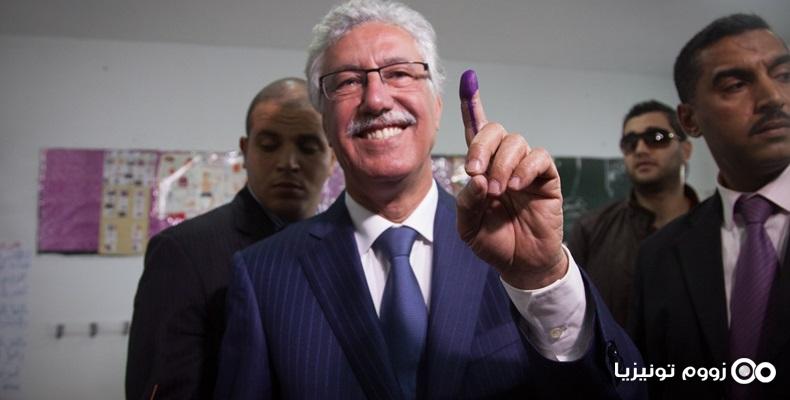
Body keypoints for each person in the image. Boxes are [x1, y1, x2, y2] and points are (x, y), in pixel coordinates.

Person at [215, 1, 645, 399]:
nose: (376, 99)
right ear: (325, 122)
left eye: (400, 73)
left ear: (437, 107)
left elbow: (627, 391)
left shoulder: (512, 244)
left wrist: (541, 275)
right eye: (347, 81)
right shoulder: (263, 274)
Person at [125, 78, 335, 400]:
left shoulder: (343, 248)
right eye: (269, 145)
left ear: (332, 158)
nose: (288, 163)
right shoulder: (184, 251)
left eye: (308, 147)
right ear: (245, 151)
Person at [629, 14, 789, 400]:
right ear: (690, 120)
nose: (773, 97)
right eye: (736, 85)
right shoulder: (658, 257)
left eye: (784, 75)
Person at [567, 100, 698, 327]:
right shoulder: (591, 230)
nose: (640, 149)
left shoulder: (716, 227)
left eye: (656, 138)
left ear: (685, 150)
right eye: (630, 142)